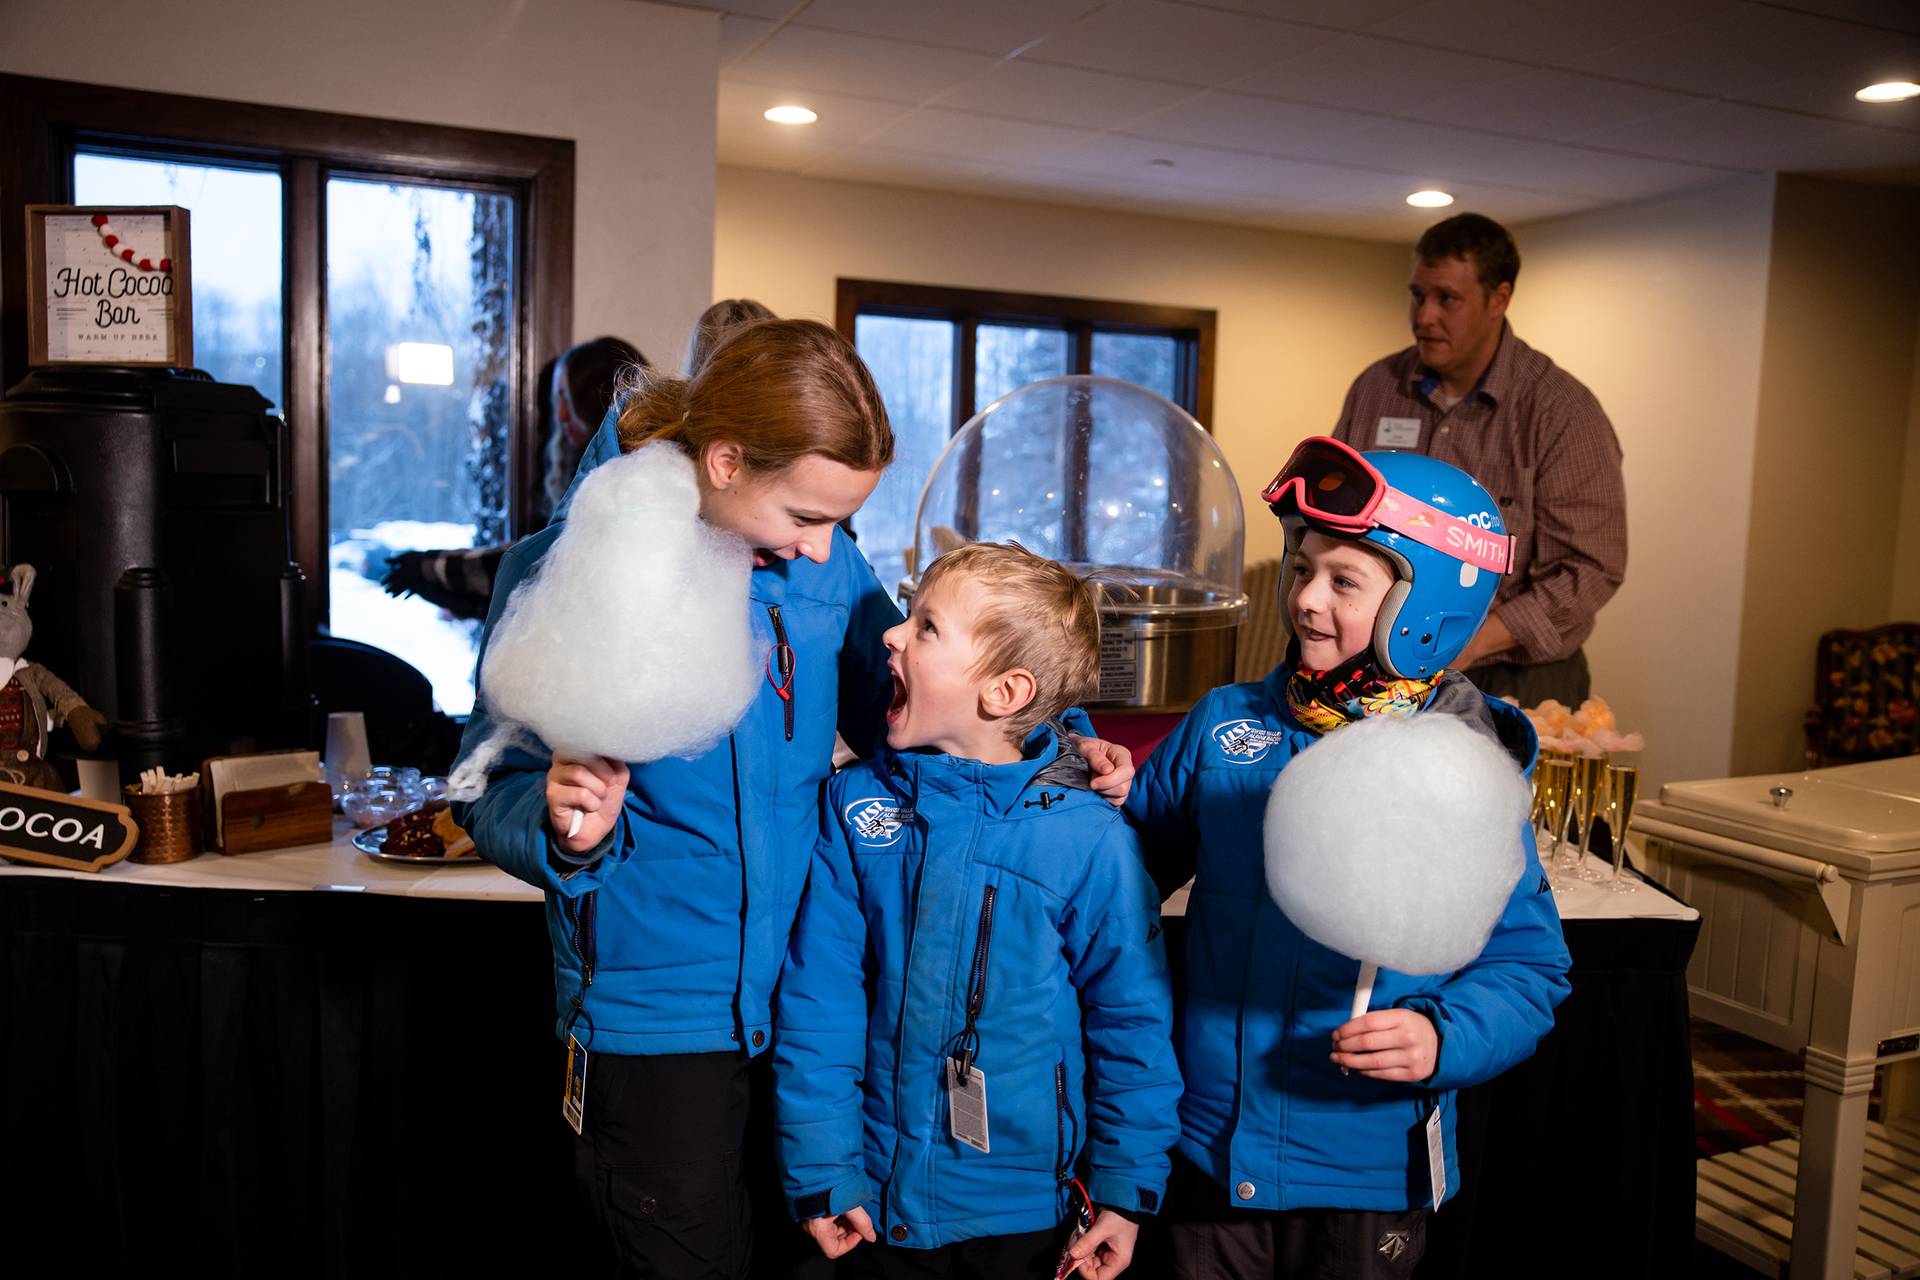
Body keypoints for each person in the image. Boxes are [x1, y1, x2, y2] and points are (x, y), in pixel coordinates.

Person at [452, 322, 1136, 1280]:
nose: (825, 549)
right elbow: (486, 780)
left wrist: (1060, 754)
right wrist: (562, 827)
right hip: (661, 1026)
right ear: (727, 461)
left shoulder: (827, 574)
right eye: (808, 516)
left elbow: (930, 711)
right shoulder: (567, 567)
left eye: (841, 522)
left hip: (819, 1017)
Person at [1127, 438, 1571, 1279]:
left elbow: (1528, 966)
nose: (1305, 600)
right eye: (1302, 569)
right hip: (1209, 1144)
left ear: (1426, 607)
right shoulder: (1224, 726)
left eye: (1344, 582)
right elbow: (1120, 885)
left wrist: (1444, 1040)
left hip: (1369, 1168)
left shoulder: (1458, 771)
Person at [773, 541, 1180, 1280]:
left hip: (1027, 1215)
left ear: (1003, 693)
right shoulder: (854, 807)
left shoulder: (1090, 842)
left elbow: (1133, 1028)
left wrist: (1124, 1191)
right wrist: (823, 1167)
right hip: (874, 1202)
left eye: (927, 627)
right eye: (908, 616)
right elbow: (818, 1003)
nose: (892, 635)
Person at [1331, 212, 1626, 707]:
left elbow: (1588, 571)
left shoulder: (1561, 411)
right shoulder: (1377, 388)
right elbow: (1337, 519)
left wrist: (1461, 645)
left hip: (1511, 679)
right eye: (1418, 295)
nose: (1425, 317)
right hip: (1375, 666)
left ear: (1499, 299)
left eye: (1447, 298)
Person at [381, 335, 646, 618]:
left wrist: (431, 569)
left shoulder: (623, 484)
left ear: (596, 399)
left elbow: (535, 565)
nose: (562, 415)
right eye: (558, 400)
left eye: (565, 396)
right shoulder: (596, 473)